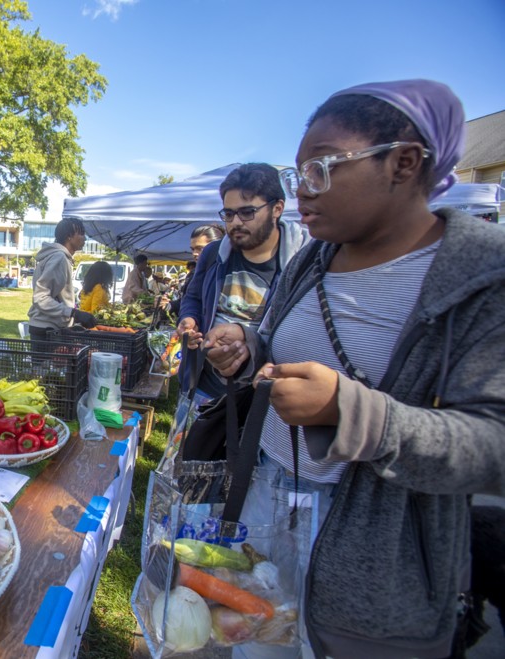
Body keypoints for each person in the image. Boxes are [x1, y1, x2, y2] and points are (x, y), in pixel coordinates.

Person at [200, 79, 505, 659]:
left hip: (378, 551)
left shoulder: (481, 275)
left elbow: (493, 445)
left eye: (320, 169)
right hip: (270, 494)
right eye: (297, 175)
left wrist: (350, 410)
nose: (301, 193)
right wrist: (247, 344)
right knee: (256, 642)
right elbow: (277, 341)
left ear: (404, 163)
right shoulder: (316, 257)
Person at [178, 163, 309, 399]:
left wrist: (249, 343)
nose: (236, 222)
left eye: (247, 212)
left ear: (277, 208)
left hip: (261, 394)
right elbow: (193, 297)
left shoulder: (302, 263)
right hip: (202, 384)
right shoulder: (212, 254)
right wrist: (189, 320)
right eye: (228, 214)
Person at [27, 217, 96, 343]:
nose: (84, 238)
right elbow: (40, 297)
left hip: (50, 328)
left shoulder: (58, 257)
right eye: (81, 233)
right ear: (69, 236)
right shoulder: (59, 258)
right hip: (47, 331)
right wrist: (74, 313)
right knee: (47, 364)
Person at [161, 224, 227, 316]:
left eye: (200, 249)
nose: (195, 253)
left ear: (217, 247)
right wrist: (168, 305)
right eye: (193, 249)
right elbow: (189, 302)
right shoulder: (194, 275)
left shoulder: (227, 274)